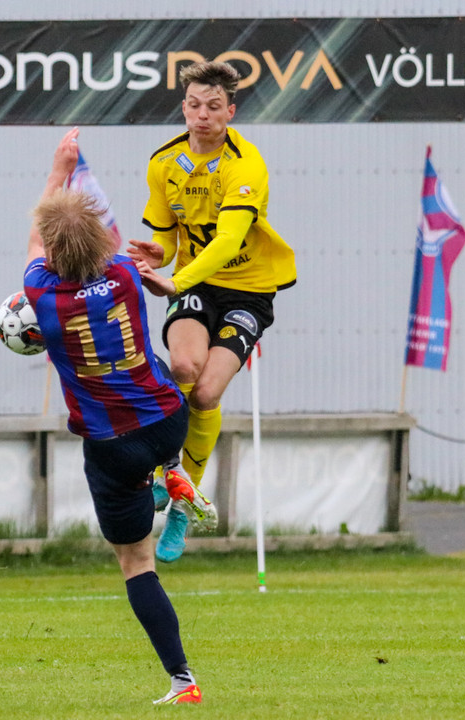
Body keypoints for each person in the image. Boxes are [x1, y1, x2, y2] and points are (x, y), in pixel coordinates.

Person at [22, 127, 215, 705]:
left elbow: (35, 242)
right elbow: (110, 248)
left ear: (54, 253)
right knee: (154, 373)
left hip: (114, 445)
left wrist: (57, 172)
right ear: (103, 240)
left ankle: (183, 680)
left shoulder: (42, 295)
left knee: (137, 562)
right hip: (168, 419)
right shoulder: (128, 275)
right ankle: (172, 471)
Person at [129, 60, 297, 563]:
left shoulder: (245, 165)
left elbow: (227, 240)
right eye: (194, 105)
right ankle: (165, 468)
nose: (202, 115)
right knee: (183, 365)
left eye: (214, 107)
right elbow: (165, 236)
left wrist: (174, 279)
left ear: (230, 112)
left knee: (205, 392)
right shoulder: (164, 163)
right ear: (184, 108)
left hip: (248, 290)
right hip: (195, 283)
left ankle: (183, 506)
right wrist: (159, 254)